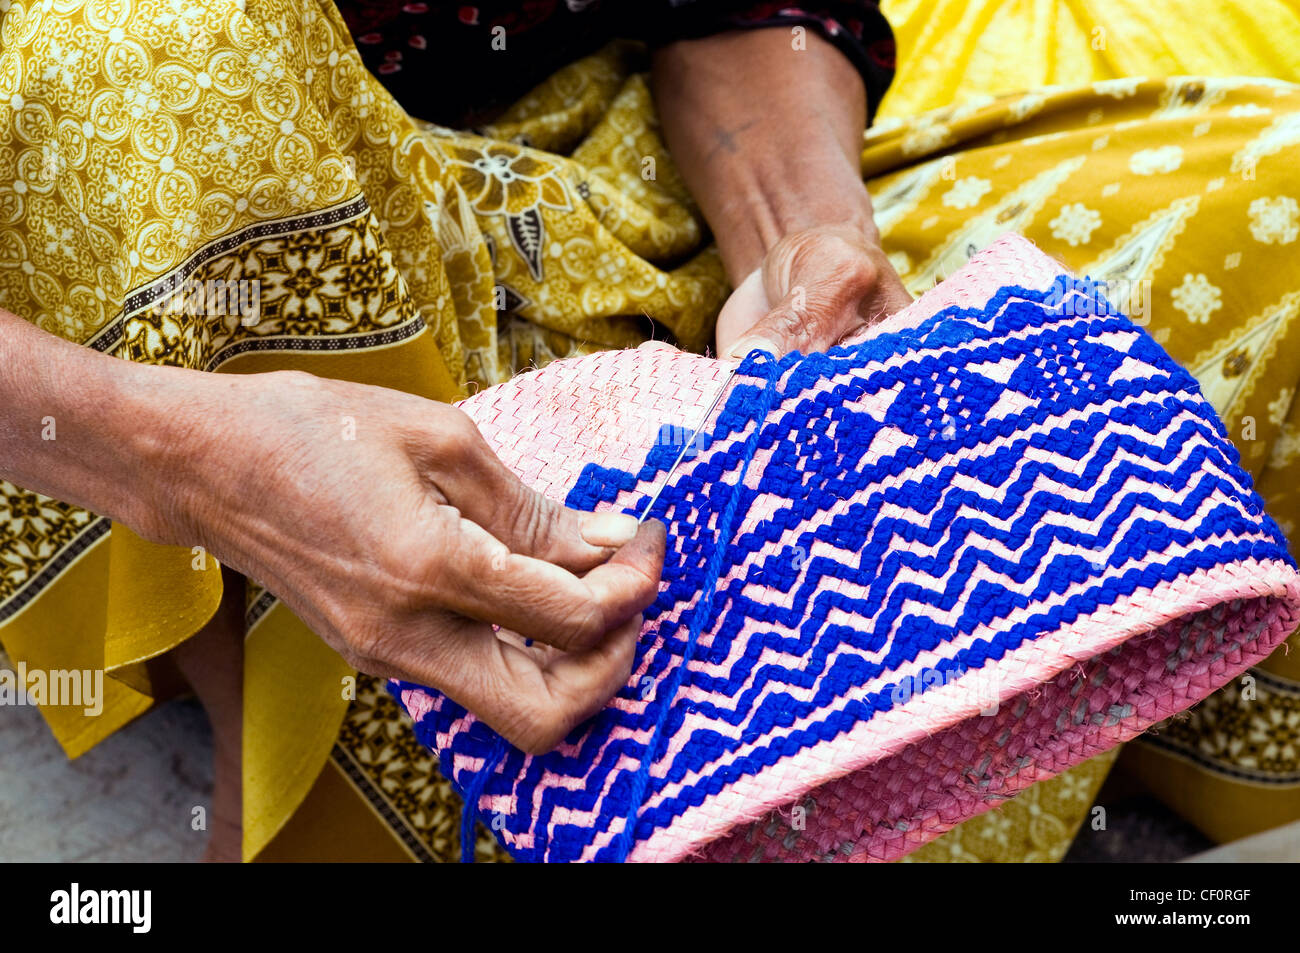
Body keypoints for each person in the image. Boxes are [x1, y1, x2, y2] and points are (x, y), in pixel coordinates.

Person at [2, 0, 1298, 863]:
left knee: (1274, 214)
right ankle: (330, 778)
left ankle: (969, 712)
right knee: (141, 37)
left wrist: (800, 235)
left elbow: (740, 13)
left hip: (634, 189)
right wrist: (194, 461)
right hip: (152, 334)